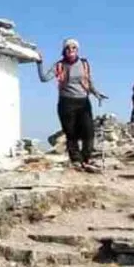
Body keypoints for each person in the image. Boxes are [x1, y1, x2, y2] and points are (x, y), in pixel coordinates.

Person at [38, 38, 108, 170]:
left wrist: (97, 94)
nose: (71, 50)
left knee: (89, 133)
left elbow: (88, 81)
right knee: (71, 134)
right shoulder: (59, 65)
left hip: (83, 102)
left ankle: (86, 159)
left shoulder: (84, 64)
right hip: (66, 102)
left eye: (74, 47)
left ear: (77, 50)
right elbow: (44, 78)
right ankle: (76, 161)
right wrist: (39, 63)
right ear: (64, 50)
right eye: (68, 48)